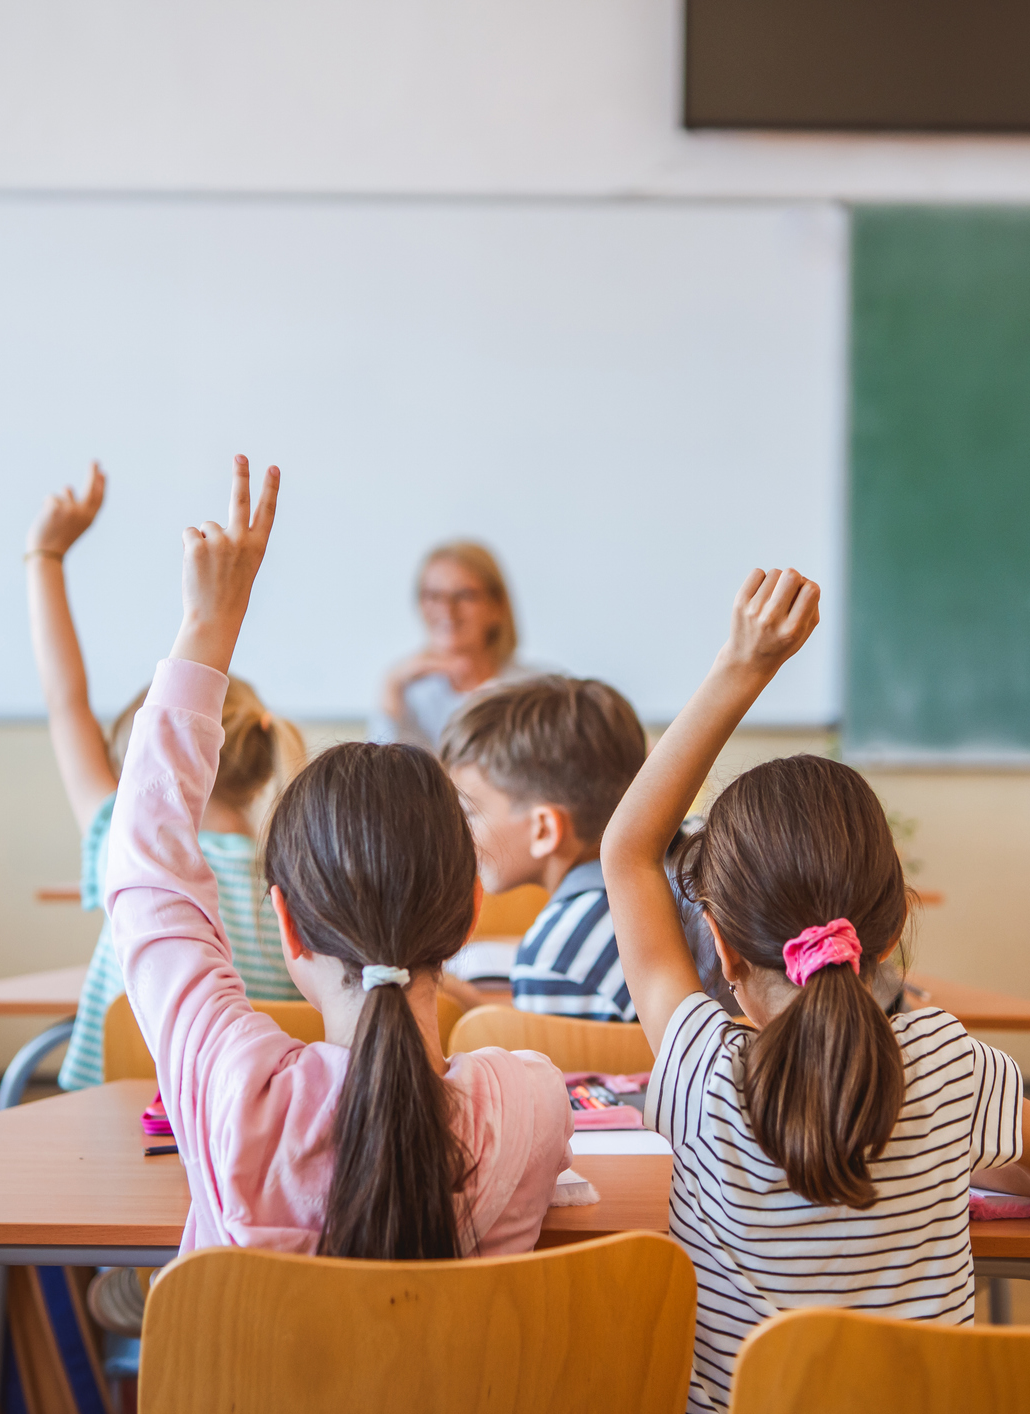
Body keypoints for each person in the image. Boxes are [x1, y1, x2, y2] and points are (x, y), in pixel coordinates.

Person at [600, 566, 1030, 1413]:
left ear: (719, 947)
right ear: (894, 930)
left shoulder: (699, 1073)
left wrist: (741, 667)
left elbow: (627, 853)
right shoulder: (949, 1063)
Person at [107, 456, 573, 1258]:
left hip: (242, 1392)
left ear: (285, 922)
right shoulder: (529, 1103)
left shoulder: (231, 1086)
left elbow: (145, 867)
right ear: (467, 910)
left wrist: (207, 628)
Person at [23, 462, 303, 1095]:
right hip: (251, 1140)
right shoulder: (296, 886)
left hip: (115, 1130)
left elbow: (64, 699)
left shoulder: (127, 842)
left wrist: (45, 554)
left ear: (136, 774)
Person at [439, 675, 648, 1021]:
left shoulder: (556, 961)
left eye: (470, 813)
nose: (458, 830)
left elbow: (561, 1063)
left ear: (544, 830)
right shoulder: (671, 870)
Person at [369, 540, 529, 749]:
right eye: (433, 596)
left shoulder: (534, 690)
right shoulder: (410, 694)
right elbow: (383, 775)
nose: (446, 609)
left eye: (464, 595)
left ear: (496, 605)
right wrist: (391, 684)